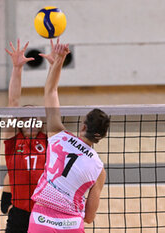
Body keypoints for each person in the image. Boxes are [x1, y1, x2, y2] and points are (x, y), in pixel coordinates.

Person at [28, 39, 110, 233]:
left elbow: (50, 91)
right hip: (71, 225)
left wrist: (58, 61)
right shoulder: (99, 169)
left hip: (41, 219)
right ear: (101, 136)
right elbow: (89, 217)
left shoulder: (58, 136)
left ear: (83, 126)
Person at [1, 39, 47, 233]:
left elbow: (52, 95)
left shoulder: (48, 140)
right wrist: (17, 68)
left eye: (35, 116)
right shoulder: (13, 141)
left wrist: (55, 65)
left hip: (45, 212)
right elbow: (13, 101)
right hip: (19, 213)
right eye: (25, 116)